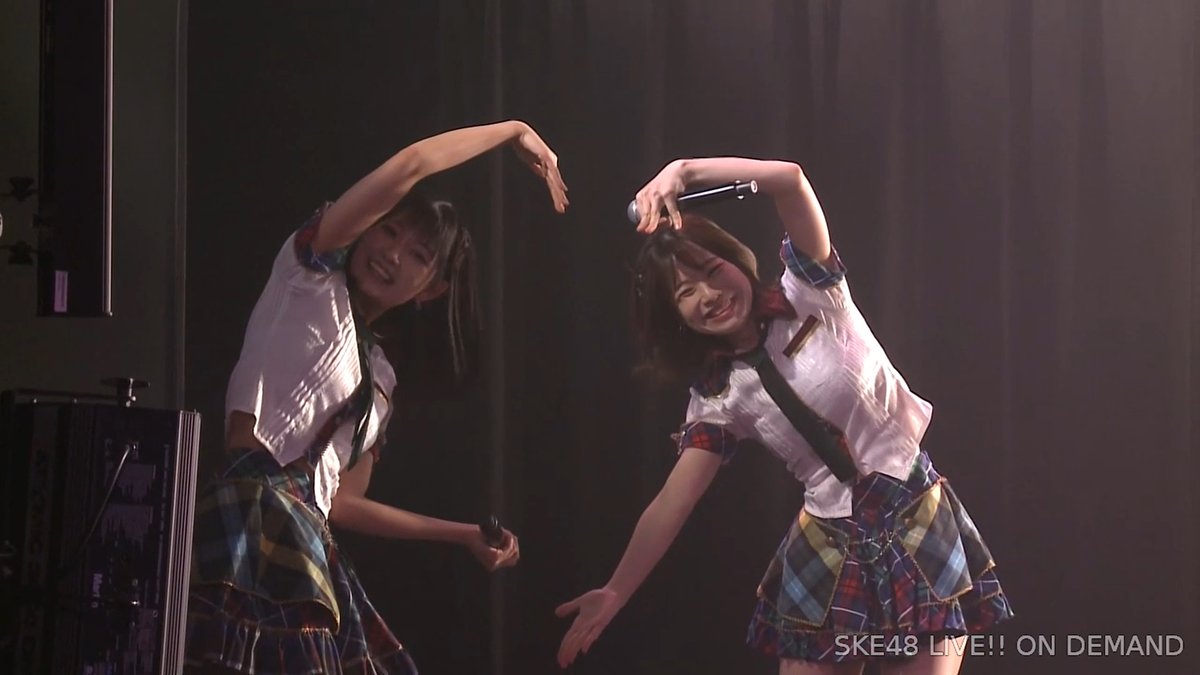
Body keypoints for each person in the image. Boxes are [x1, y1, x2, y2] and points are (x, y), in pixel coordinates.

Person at [555, 157, 1011, 674]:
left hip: (916, 514)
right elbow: (671, 504)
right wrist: (616, 590)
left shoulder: (811, 290)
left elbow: (790, 180)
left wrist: (684, 172)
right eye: (686, 293)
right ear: (674, 316)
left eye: (712, 271)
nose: (710, 294)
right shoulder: (718, 396)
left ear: (735, 261)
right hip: (829, 543)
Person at [184, 120, 569, 674]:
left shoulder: (383, 382)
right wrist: (513, 132)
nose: (392, 254)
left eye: (418, 255)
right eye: (388, 232)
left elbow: (342, 503)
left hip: (306, 541)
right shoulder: (309, 274)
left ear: (432, 290)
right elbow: (412, 165)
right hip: (247, 517)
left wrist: (462, 534)